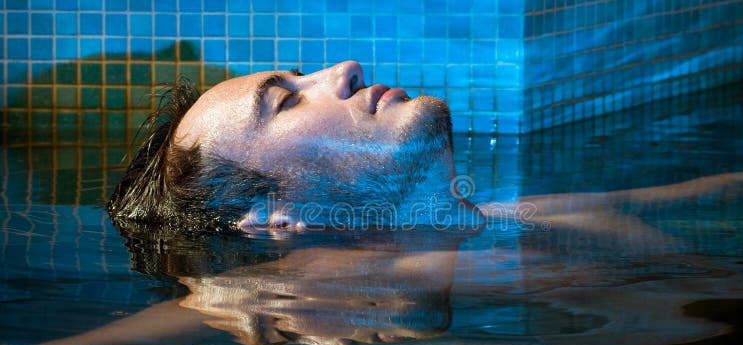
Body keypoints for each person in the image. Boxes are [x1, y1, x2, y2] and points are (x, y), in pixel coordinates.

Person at [107, 61, 480, 234]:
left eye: (301, 79)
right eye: (286, 101)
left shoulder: (514, 221)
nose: (346, 70)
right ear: (279, 219)